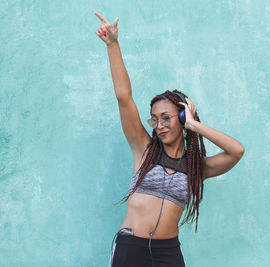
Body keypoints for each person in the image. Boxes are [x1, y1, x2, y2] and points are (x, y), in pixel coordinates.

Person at [94, 11, 245, 267]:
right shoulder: (144, 149)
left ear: (182, 118)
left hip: (167, 253)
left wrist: (195, 125)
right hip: (130, 248)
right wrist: (113, 45)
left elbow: (236, 151)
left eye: (167, 118)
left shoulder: (196, 167)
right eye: (155, 119)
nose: (159, 125)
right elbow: (124, 98)